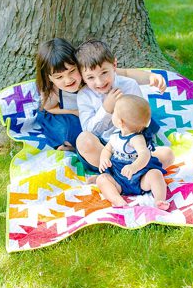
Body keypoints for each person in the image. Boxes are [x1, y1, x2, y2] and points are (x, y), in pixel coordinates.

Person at [32, 37, 167, 151]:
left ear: (78, 65)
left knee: (138, 119)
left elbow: (125, 73)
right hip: (67, 113)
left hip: (94, 113)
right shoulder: (53, 91)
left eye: (72, 71)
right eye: (59, 77)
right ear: (50, 78)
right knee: (73, 132)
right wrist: (74, 112)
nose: (68, 80)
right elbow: (48, 108)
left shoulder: (92, 73)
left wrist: (150, 77)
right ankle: (79, 148)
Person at [74, 39, 174, 171]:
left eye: (104, 73)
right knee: (84, 140)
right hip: (104, 148)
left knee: (167, 154)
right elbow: (90, 131)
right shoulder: (84, 95)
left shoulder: (129, 85)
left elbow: (141, 120)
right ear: (82, 77)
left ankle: (129, 170)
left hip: (132, 144)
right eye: (90, 77)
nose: (99, 82)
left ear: (114, 65)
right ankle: (120, 172)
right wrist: (106, 109)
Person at [94, 94, 169, 209]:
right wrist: (104, 159)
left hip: (140, 178)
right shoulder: (115, 135)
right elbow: (107, 149)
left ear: (120, 122)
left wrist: (134, 167)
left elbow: (144, 154)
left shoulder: (136, 139)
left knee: (155, 174)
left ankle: (160, 200)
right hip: (118, 178)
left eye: (114, 112)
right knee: (102, 179)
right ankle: (118, 201)